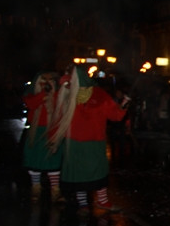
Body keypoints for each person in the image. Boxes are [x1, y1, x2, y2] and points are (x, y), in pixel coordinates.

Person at [48, 65, 130, 214]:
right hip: (73, 143)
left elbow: (115, 115)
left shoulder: (99, 94)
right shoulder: (66, 94)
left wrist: (123, 104)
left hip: (95, 141)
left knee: (98, 171)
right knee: (79, 174)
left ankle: (102, 200)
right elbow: (57, 117)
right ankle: (83, 203)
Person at [21, 71, 64, 203]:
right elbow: (31, 103)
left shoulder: (59, 95)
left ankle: (55, 190)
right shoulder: (31, 94)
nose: (46, 82)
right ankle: (36, 188)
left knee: (53, 160)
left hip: (53, 130)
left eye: (49, 80)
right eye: (43, 80)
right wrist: (43, 95)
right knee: (35, 160)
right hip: (36, 131)